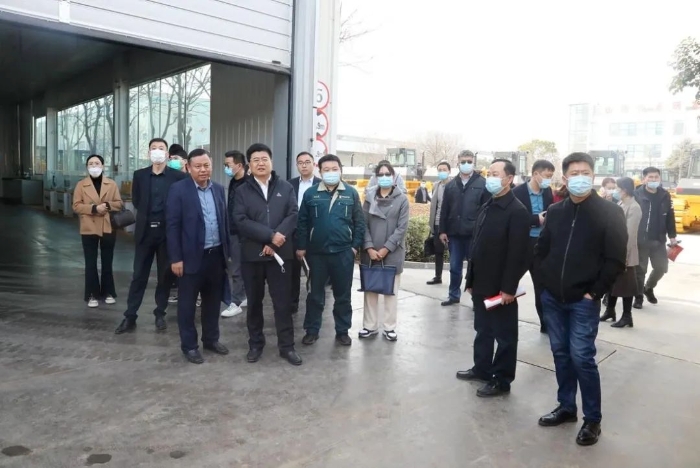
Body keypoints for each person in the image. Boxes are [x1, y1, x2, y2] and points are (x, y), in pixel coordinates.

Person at [535, 152, 627, 446]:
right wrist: (545, 283)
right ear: (565, 178)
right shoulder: (556, 211)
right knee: (560, 354)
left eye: (585, 173)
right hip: (553, 298)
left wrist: (594, 292)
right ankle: (566, 407)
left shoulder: (609, 213)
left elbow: (616, 259)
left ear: (593, 176)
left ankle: (592, 419)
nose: (580, 178)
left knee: (582, 357)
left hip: (583, 301)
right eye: (574, 174)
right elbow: (542, 250)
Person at [456, 159, 530, 397]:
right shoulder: (488, 205)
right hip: (481, 282)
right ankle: (482, 368)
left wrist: (509, 288)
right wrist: (470, 280)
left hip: (500, 287)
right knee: (483, 329)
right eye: (490, 173)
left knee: (504, 335)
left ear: (509, 179)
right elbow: (476, 245)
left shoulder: (517, 211)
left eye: (496, 174)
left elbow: (519, 255)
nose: (491, 178)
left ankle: (501, 379)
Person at [233, 143, 301, 365]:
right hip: (252, 255)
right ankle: (255, 344)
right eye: (255, 160)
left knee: (283, 303)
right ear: (249, 165)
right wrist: (270, 236)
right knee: (254, 303)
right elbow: (240, 220)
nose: (260, 163)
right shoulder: (241, 191)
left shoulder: (285, 187)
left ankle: (287, 347)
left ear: (271, 161)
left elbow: (293, 214)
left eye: (264, 159)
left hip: (280, 255)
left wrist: (275, 241)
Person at [115, 138, 187, 334]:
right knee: (139, 275)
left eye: (161, 148)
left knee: (164, 276)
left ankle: (160, 313)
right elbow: (137, 200)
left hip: (167, 233)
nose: (157, 151)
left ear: (167, 154)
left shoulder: (178, 177)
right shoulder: (139, 175)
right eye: (153, 148)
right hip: (145, 232)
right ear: (148, 153)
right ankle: (130, 316)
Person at [166, 149, 231, 364]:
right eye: (198, 166)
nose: (203, 170)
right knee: (187, 305)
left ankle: (211, 339)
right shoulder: (178, 190)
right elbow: (172, 226)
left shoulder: (219, 189)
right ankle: (190, 346)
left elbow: (224, 222)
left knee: (212, 303)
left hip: (216, 256)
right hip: (190, 258)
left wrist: (227, 254)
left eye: (207, 165)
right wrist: (176, 258)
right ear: (188, 168)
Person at [296, 154, 366, 346]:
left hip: (343, 253)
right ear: (320, 172)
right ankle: (312, 330)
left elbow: (359, 223)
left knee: (343, 296)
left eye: (334, 169)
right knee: (315, 295)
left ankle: (342, 331)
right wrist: (301, 246)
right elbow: (302, 222)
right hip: (316, 254)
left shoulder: (351, 193)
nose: (331, 173)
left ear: (340, 170)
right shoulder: (311, 194)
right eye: (326, 170)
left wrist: (354, 248)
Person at [359, 161, 410, 341]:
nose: (384, 177)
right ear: (376, 177)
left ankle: (389, 327)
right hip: (371, 251)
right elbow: (363, 224)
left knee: (391, 292)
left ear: (393, 176)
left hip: (392, 252)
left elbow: (402, 228)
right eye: (380, 174)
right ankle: (370, 326)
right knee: (370, 291)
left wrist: (386, 248)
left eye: (387, 174)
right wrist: (369, 247)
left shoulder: (402, 199)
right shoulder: (369, 198)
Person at [438, 150, 489, 306]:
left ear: (473, 162)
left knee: (475, 269)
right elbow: (444, 209)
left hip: (474, 234)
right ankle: (454, 295)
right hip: (454, 233)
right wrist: (442, 230)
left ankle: (476, 299)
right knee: (454, 267)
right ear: (458, 163)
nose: (466, 164)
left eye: (469, 161)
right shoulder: (451, 185)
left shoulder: (482, 183)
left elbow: (486, 209)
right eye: (463, 161)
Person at [72, 154, 123, 308]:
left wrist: (106, 206)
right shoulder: (81, 185)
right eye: (91, 163)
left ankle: (108, 292)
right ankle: (92, 294)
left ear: (103, 166)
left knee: (107, 261)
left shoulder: (111, 184)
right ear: (87, 167)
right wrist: (94, 208)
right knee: (90, 262)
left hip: (108, 226)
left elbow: (119, 203)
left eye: (97, 163)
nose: (94, 166)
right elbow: (76, 206)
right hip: (89, 227)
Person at [513, 159, 555, 333]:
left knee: (541, 285)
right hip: (522, 244)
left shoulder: (548, 191)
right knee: (509, 282)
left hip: (541, 244)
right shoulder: (517, 192)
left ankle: (546, 323)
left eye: (551, 176)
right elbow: (515, 219)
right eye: (546, 175)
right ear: (536, 174)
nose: (548, 179)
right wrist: (536, 219)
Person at [600, 177, 642, 328]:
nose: (615, 191)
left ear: (624, 190)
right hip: (615, 250)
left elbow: (630, 235)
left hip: (626, 253)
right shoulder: (620, 203)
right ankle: (610, 311)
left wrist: (624, 255)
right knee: (613, 283)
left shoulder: (634, 207)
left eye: (617, 188)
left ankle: (627, 316)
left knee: (626, 286)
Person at [633, 166, 677, 309]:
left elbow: (670, 216)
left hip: (658, 239)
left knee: (661, 267)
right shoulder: (636, 194)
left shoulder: (665, 195)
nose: (653, 180)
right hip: (641, 239)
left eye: (656, 177)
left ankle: (648, 287)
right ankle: (638, 297)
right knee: (640, 270)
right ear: (644, 179)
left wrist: (672, 236)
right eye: (650, 177)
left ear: (660, 178)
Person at [288, 151, 321, 314]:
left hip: (315, 234)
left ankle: (314, 305)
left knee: (316, 272)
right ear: (297, 165)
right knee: (292, 273)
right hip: (294, 234)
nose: (304, 165)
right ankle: (292, 304)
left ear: (313, 164)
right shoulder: (289, 184)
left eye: (307, 162)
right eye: (300, 163)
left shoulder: (322, 184)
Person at [220, 149, 248, 318]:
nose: (226, 168)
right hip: (232, 230)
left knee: (237, 268)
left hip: (242, 232)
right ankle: (243, 296)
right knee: (239, 267)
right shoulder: (233, 182)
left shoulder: (248, 183)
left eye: (228, 165)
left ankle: (235, 302)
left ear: (239, 165)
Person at [427, 161, 452, 285]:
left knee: (453, 251)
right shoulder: (436, 185)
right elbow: (434, 206)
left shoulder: (454, 185)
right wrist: (431, 224)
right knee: (438, 251)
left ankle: (455, 279)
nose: (442, 172)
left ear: (449, 171)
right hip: (437, 222)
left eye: (444, 169)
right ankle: (438, 276)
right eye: (440, 170)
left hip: (450, 224)